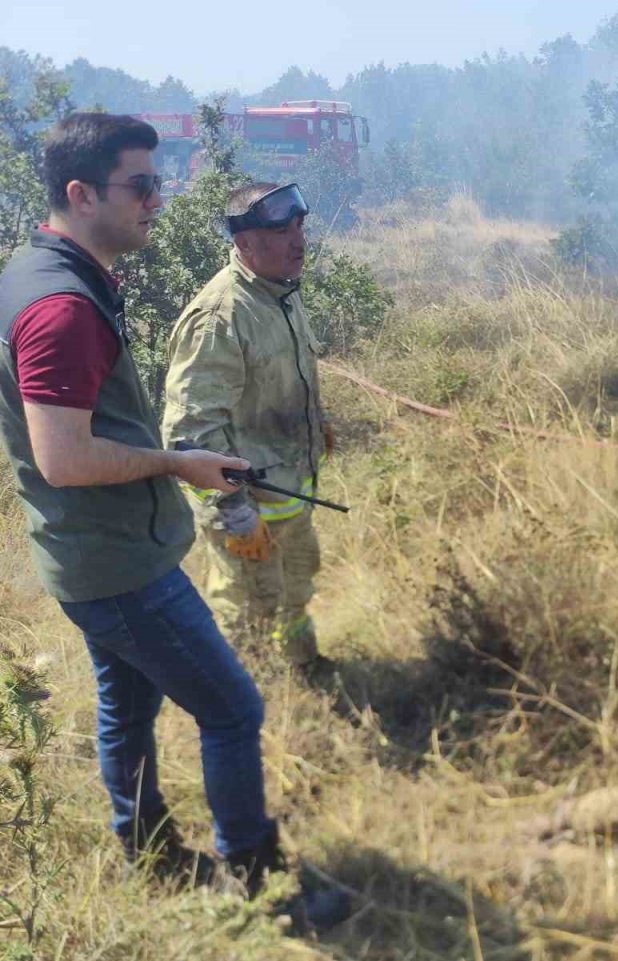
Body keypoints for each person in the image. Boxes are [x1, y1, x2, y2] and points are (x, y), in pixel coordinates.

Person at [0, 113, 344, 926]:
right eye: (144, 185)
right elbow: (65, 458)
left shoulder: (40, 268)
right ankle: (262, 884)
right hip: (119, 562)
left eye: (163, 178)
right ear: (81, 195)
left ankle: (144, 848)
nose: (162, 198)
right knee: (233, 708)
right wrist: (179, 463)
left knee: (127, 701)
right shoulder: (61, 306)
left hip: (85, 553)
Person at [163, 181, 336, 684]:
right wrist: (236, 516)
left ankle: (305, 669)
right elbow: (189, 433)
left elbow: (278, 379)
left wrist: (314, 424)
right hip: (249, 510)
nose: (298, 241)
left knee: (295, 590)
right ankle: (251, 708)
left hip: (290, 493)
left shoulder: (278, 291)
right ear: (245, 244)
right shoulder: (222, 316)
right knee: (249, 614)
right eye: (280, 231)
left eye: (300, 226)